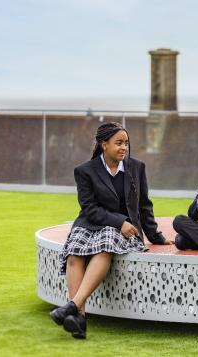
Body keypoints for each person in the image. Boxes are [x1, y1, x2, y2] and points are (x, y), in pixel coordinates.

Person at [49, 122, 170, 339]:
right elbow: (89, 208)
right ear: (104, 144)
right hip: (90, 222)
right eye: (119, 143)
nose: (124, 147)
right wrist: (118, 221)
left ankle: (71, 307)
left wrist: (155, 236)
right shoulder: (85, 171)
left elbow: (144, 206)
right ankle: (80, 317)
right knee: (74, 253)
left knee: (104, 246)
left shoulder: (137, 168)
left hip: (124, 230)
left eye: (126, 143)